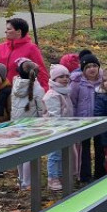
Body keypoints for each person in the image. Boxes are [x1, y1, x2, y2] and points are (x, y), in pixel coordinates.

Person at [0, 17, 49, 90]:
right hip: (0, 90)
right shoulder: (1, 47)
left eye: (9, 29)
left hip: (21, 91)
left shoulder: (31, 48)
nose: (6, 31)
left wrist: (45, 90)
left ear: (18, 32)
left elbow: (41, 71)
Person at [11, 58, 46, 192]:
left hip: (16, 123)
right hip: (32, 126)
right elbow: (41, 109)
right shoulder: (37, 89)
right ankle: (27, 182)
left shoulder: (15, 84)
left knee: (19, 152)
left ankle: (21, 179)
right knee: (29, 155)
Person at [71, 52, 104, 183]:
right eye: (88, 67)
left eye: (94, 66)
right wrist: (73, 120)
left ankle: (100, 173)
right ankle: (85, 175)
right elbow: (72, 102)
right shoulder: (77, 83)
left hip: (100, 120)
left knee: (100, 146)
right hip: (82, 121)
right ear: (83, 69)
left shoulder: (103, 81)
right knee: (84, 148)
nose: (92, 69)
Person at [42, 64, 75, 192]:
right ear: (54, 79)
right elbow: (54, 115)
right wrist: (60, 128)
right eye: (61, 77)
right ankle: (53, 178)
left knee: (62, 154)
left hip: (65, 129)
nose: (65, 79)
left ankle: (61, 176)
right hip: (55, 130)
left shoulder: (65, 93)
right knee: (55, 155)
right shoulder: (52, 95)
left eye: (67, 76)